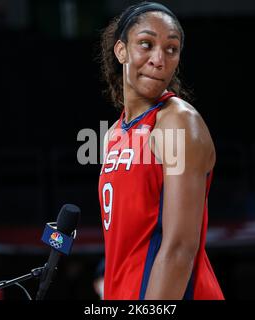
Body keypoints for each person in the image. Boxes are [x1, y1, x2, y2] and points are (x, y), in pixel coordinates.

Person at [98, 2, 224, 300]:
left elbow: (180, 247)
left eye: (171, 49)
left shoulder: (177, 121)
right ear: (121, 51)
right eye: (146, 44)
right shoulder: (113, 135)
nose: (159, 59)